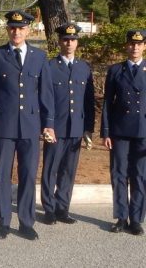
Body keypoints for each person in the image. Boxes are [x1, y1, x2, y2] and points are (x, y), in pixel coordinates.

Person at [0, 10, 55, 241]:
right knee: (3, 175)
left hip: (31, 125)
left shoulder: (39, 57)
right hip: (3, 125)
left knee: (28, 175)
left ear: (28, 30)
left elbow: (46, 93)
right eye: (12, 28)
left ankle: (26, 222)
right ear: (7, 30)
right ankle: (3, 223)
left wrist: (48, 124)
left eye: (21, 28)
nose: (16, 32)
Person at [41, 23, 95, 225]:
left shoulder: (84, 68)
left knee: (68, 170)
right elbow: (44, 98)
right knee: (51, 169)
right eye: (65, 39)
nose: (69, 43)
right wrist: (46, 125)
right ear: (60, 42)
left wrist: (88, 128)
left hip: (76, 128)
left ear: (77, 42)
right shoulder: (50, 67)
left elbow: (88, 101)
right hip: (56, 128)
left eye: (73, 40)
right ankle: (49, 209)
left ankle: (62, 208)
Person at [101, 29, 146, 236]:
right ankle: (121, 217)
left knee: (140, 175)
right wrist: (106, 132)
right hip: (119, 130)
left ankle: (136, 219)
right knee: (119, 174)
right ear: (126, 46)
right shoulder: (116, 70)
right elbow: (108, 103)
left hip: (143, 130)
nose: (135, 47)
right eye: (131, 44)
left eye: (139, 44)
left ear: (144, 46)